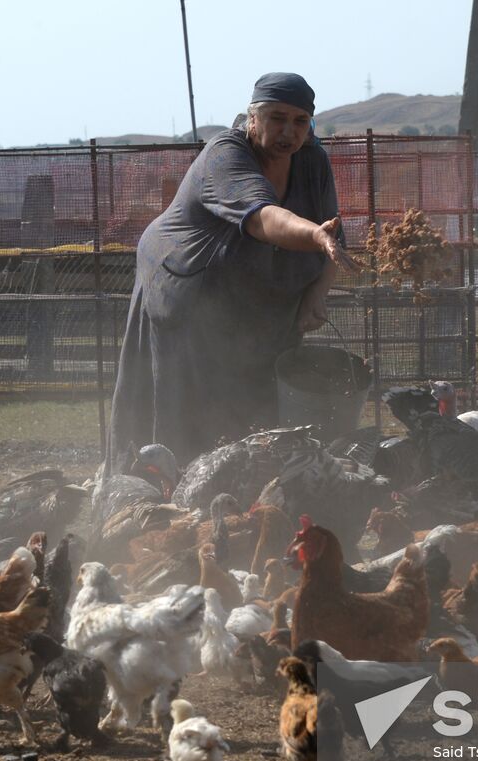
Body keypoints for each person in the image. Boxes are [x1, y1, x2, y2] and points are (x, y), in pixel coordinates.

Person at [106, 72, 357, 466]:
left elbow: (332, 235)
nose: (288, 131)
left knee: (259, 390)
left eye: (299, 121)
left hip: (252, 292)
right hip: (186, 283)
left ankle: (246, 479)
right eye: (277, 117)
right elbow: (263, 219)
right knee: (185, 402)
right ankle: (166, 487)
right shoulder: (224, 154)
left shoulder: (312, 160)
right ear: (252, 118)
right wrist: (315, 237)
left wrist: (317, 293)